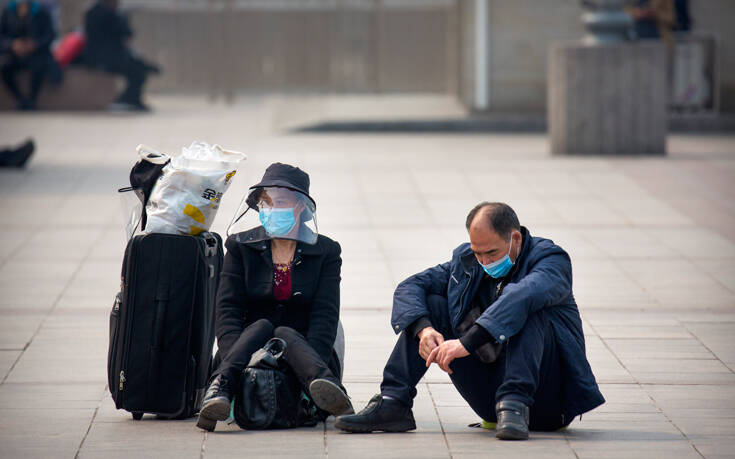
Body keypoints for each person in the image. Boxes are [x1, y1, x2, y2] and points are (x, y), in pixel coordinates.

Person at [335, 202, 604, 440]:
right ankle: (394, 402)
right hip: (491, 400)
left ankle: (514, 402)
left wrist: (467, 342)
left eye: (492, 253)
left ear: (516, 238)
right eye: (478, 253)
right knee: (431, 305)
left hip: (546, 402)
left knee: (529, 307)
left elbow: (524, 295)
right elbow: (410, 286)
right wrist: (424, 330)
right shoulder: (467, 262)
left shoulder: (550, 260)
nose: (484, 261)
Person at [196, 163, 353, 432]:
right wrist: (239, 357)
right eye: (265, 202)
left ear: (300, 206)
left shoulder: (326, 251)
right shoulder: (239, 246)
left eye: (279, 202)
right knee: (263, 326)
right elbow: (227, 311)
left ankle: (324, 388)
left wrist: (310, 362)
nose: (270, 208)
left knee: (283, 332)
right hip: (246, 350)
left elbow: (325, 314)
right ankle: (221, 386)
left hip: (305, 354)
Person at [82, 0, 159, 111]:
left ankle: (131, 98)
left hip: (113, 55)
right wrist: (119, 15)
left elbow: (127, 33)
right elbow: (122, 31)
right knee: (137, 69)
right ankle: (127, 99)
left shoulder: (111, 12)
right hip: (101, 58)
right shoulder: (99, 12)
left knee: (139, 66)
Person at [0, 1, 60, 110]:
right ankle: (20, 99)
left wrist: (35, 45)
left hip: (35, 54)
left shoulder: (41, 12)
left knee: (39, 66)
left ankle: (32, 99)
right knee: (5, 68)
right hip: (14, 54)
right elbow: (2, 36)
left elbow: (50, 35)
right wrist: (12, 45)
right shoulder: (8, 12)